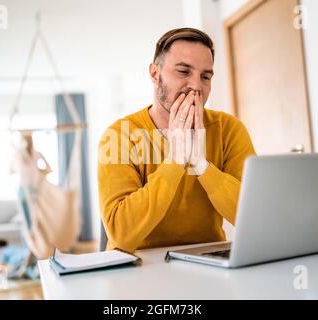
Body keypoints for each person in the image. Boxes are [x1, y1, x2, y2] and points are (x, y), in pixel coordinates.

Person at [98, 27, 256, 253]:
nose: (196, 86)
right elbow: (122, 234)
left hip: (206, 258)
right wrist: (175, 160)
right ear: (154, 74)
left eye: (205, 76)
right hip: (137, 266)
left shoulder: (229, 129)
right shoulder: (118, 135)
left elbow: (251, 217)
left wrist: (202, 165)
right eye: (183, 71)